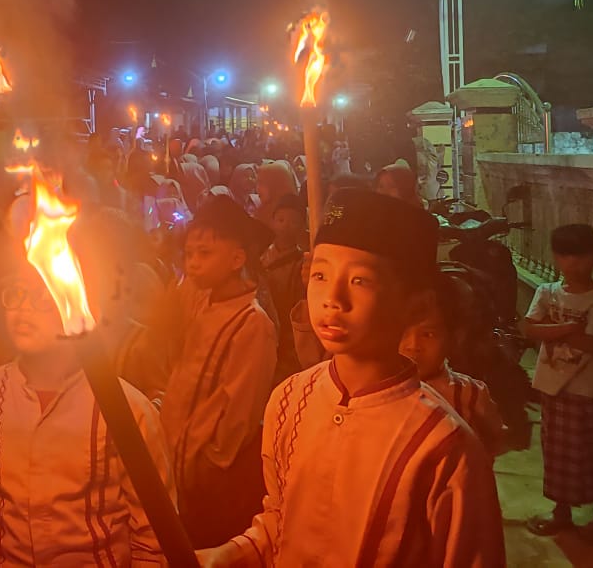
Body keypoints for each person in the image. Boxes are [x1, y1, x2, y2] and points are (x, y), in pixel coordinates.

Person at [196, 188, 506, 567]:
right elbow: (282, 520)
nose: (332, 299)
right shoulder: (290, 399)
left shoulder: (444, 448)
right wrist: (229, 554)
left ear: (416, 304)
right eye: (321, 275)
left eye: (360, 280)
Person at [0, 265, 173, 566]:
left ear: (80, 307)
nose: (23, 309)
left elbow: (153, 535)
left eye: (43, 298)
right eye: (16, 295)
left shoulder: (126, 410)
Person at [160, 194, 277, 548]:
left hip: (210, 479)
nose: (193, 263)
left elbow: (239, 410)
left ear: (237, 258)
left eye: (205, 254)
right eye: (190, 254)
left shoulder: (252, 324)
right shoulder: (200, 302)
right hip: (175, 461)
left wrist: (210, 461)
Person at [523, 224, 593, 538]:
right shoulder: (547, 292)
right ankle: (561, 512)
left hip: (592, 391)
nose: (572, 263)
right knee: (557, 454)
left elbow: (592, 344)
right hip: (554, 388)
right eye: (565, 255)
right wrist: (570, 329)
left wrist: (553, 327)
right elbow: (528, 329)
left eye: (580, 256)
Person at [399, 271, 506, 457]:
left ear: (454, 337)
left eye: (428, 334)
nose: (413, 346)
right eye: (402, 333)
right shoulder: (373, 389)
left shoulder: (471, 395)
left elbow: (491, 443)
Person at [261, 193, 308, 384]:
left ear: (302, 227)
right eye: (280, 220)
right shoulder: (261, 256)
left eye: (293, 222)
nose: (285, 227)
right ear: (272, 222)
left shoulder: (302, 264)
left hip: (287, 338)